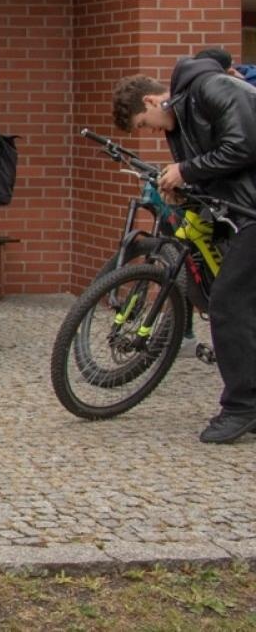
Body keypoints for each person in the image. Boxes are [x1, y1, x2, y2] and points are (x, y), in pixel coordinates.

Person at [112, 58, 256, 443]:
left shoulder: (209, 89)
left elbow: (244, 144)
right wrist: (181, 187)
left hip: (252, 214)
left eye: (143, 124)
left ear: (152, 100)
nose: (147, 132)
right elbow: (218, 170)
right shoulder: (181, 125)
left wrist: (187, 170)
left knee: (228, 303)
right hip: (243, 213)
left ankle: (242, 407)